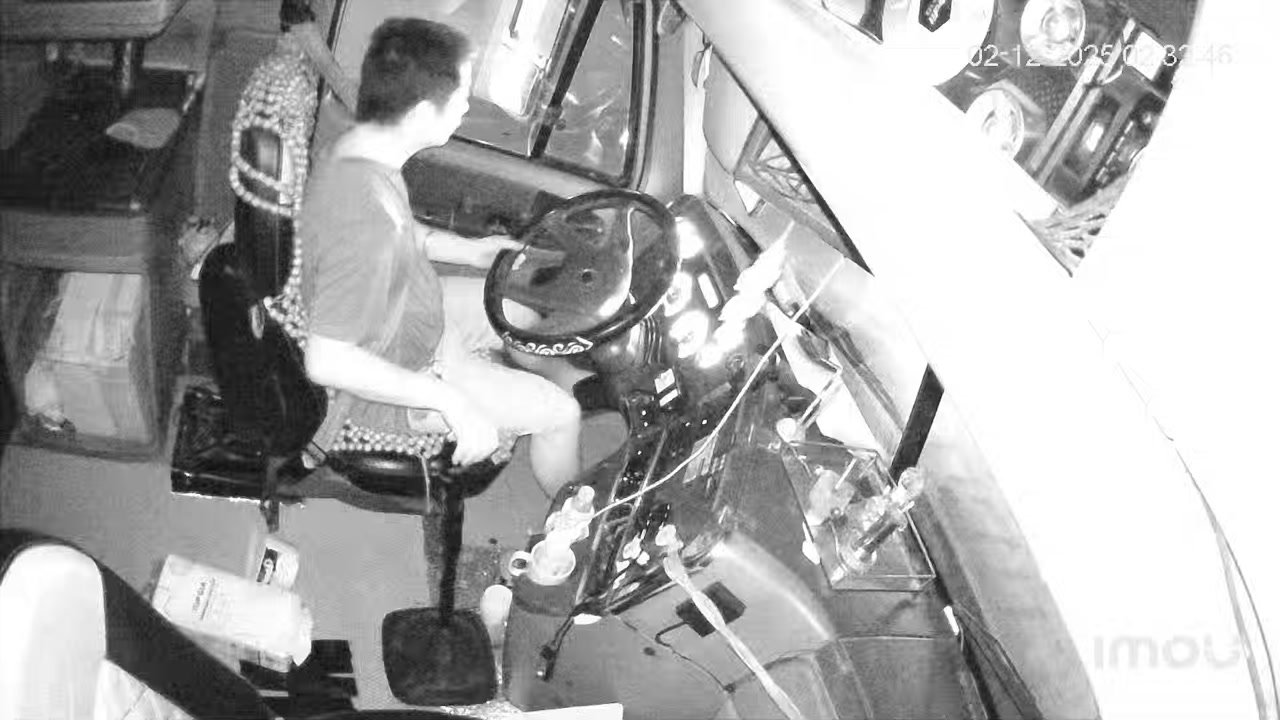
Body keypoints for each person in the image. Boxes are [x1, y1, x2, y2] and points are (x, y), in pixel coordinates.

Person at [299, 18, 582, 494]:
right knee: (562, 414)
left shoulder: (358, 147)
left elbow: (405, 231)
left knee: (519, 315)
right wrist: (451, 400)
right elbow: (326, 361)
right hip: (402, 372)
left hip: (411, 311)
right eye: (459, 98)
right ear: (420, 115)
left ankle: (541, 382)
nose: (467, 107)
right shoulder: (365, 223)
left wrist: (469, 251)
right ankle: (580, 516)